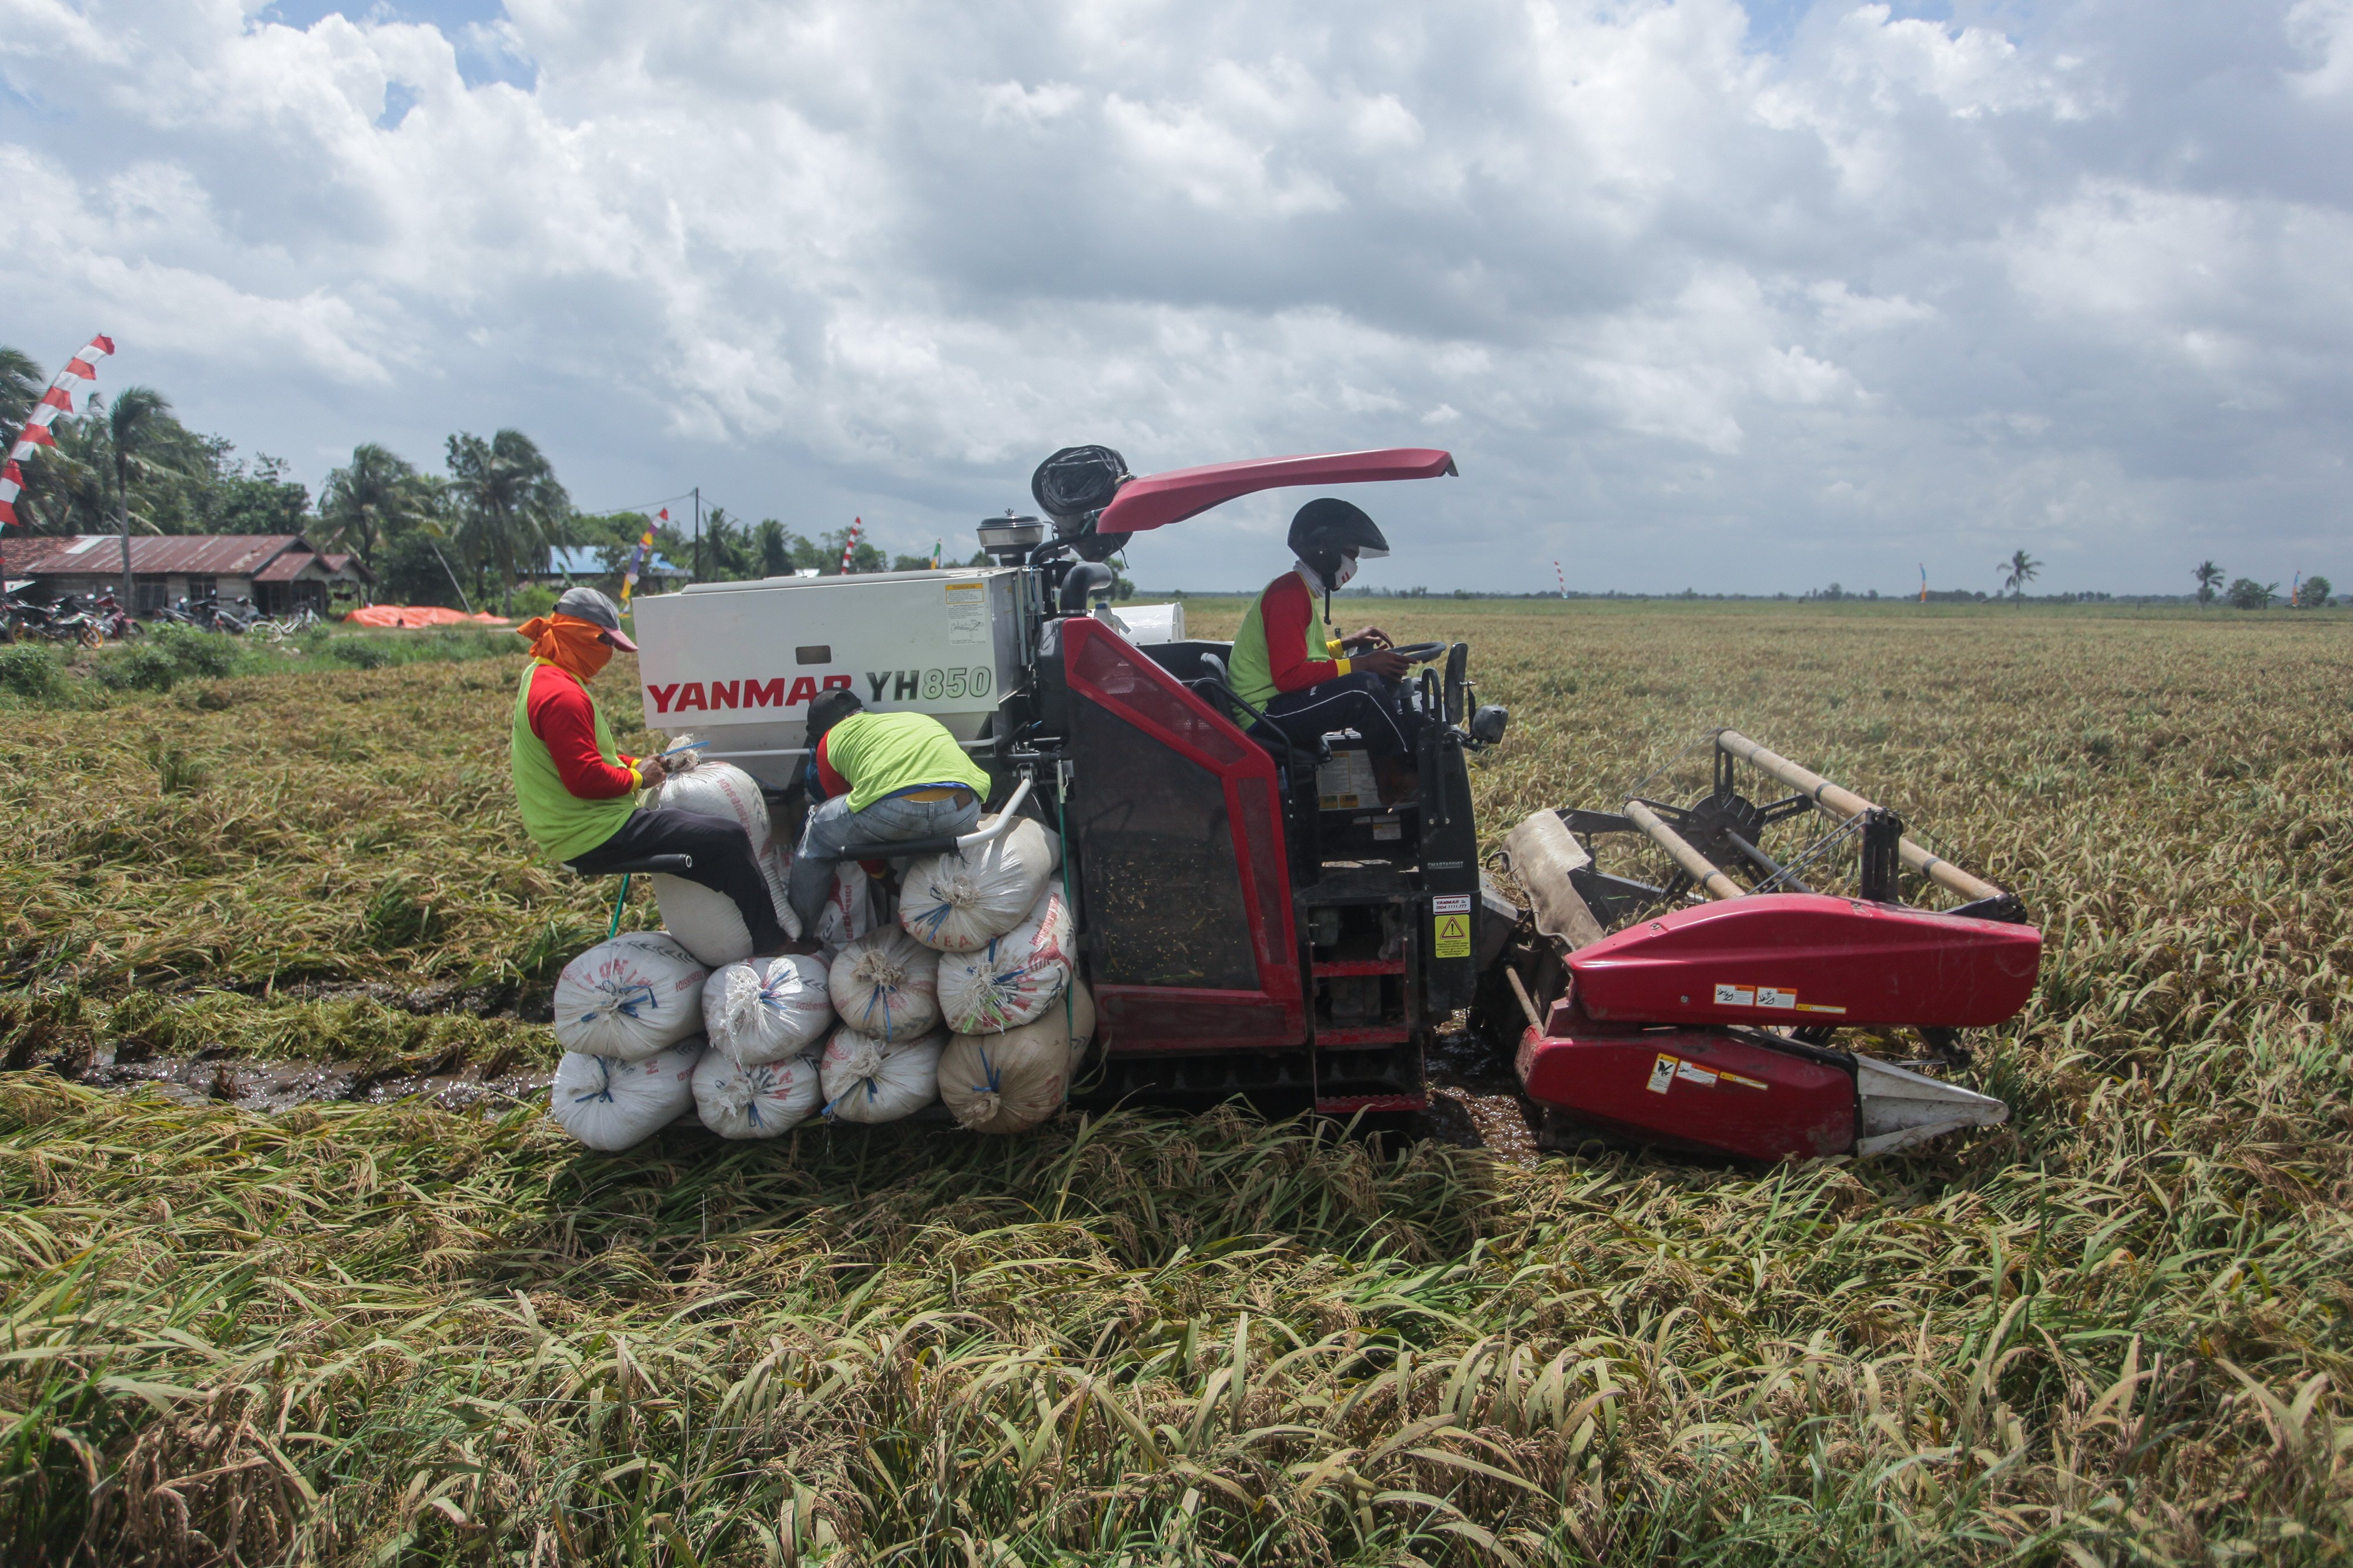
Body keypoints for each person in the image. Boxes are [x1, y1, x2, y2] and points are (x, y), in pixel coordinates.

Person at [510, 586, 789, 952]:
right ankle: (774, 943)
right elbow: (585, 779)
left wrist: (633, 763)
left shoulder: (542, 675)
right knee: (730, 838)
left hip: (572, 826)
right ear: (585, 638)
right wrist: (641, 778)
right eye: (607, 645)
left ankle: (746, 934)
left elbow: (590, 757)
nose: (609, 655)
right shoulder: (563, 696)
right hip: (590, 830)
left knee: (712, 850)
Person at [1228, 497, 1422, 797]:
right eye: (1350, 555)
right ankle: (1396, 779)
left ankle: (1393, 772)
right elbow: (1289, 676)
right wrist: (1362, 665)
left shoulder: (1298, 590)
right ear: (1326, 551)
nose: (1353, 566)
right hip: (1264, 714)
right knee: (1362, 690)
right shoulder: (1289, 594)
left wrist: (1347, 645)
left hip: (1274, 704)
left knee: (1365, 682)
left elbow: (1304, 657)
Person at [787, 690, 989, 934]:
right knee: (922, 847)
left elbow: (851, 813)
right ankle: (932, 928)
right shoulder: (914, 718)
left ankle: (799, 934)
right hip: (962, 810)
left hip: (895, 811)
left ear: (821, 730)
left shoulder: (829, 741)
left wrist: (880, 873)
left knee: (819, 827)